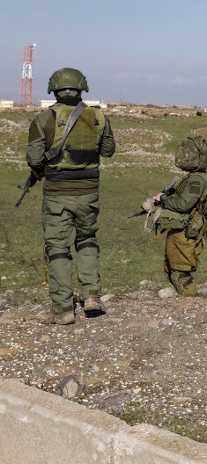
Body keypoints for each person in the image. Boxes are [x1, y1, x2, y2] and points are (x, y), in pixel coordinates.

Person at [26, 67, 116, 324]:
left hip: (56, 195)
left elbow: (33, 158)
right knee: (87, 240)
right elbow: (108, 150)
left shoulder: (44, 119)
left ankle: (63, 309)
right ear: (81, 89)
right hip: (89, 193)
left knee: (57, 248)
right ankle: (91, 297)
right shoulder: (99, 117)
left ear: (53, 89)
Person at [151, 135, 207, 297]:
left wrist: (163, 199)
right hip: (184, 228)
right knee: (174, 265)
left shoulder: (196, 181)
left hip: (185, 231)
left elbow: (184, 204)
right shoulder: (199, 177)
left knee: (181, 271)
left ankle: (189, 301)